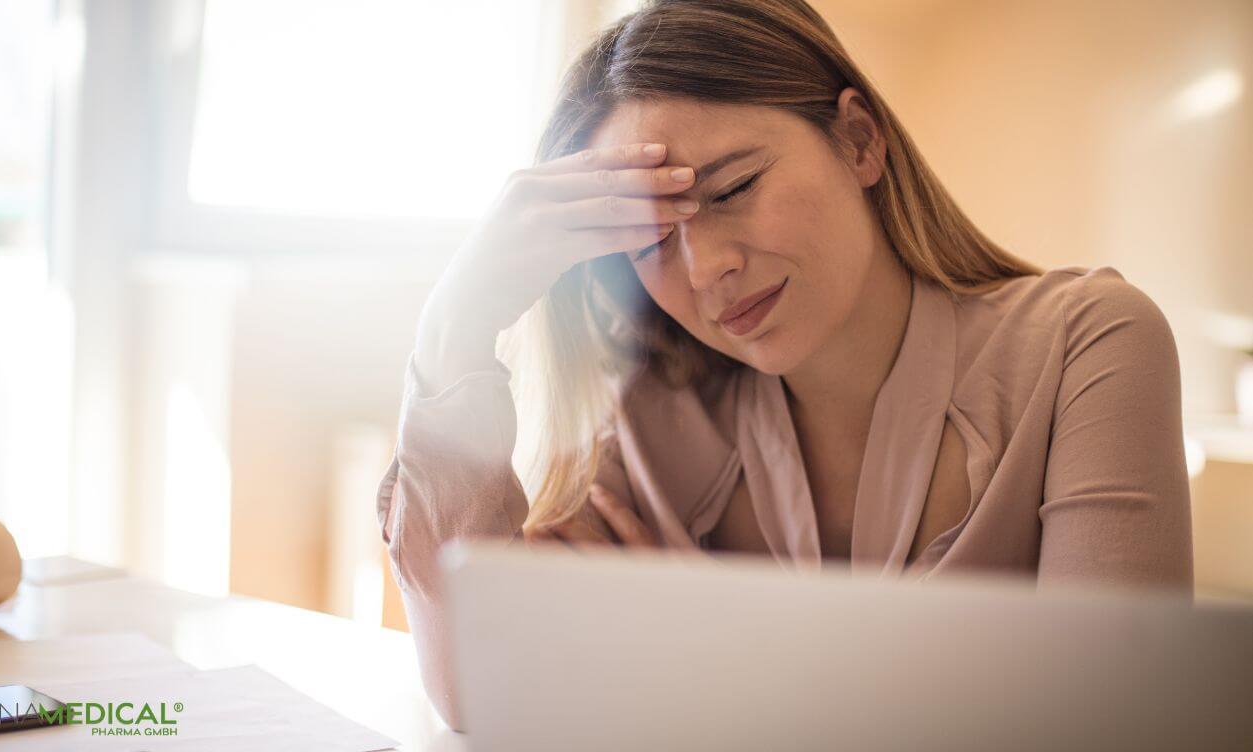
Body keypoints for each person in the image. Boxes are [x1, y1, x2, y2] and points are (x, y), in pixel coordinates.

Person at [376, 0, 1193, 731]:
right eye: (652, 239)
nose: (703, 270)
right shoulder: (654, 417)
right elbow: (479, 687)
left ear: (859, 140)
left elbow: (1110, 725)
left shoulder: (1086, 344)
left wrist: (696, 660)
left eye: (731, 189)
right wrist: (454, 324)